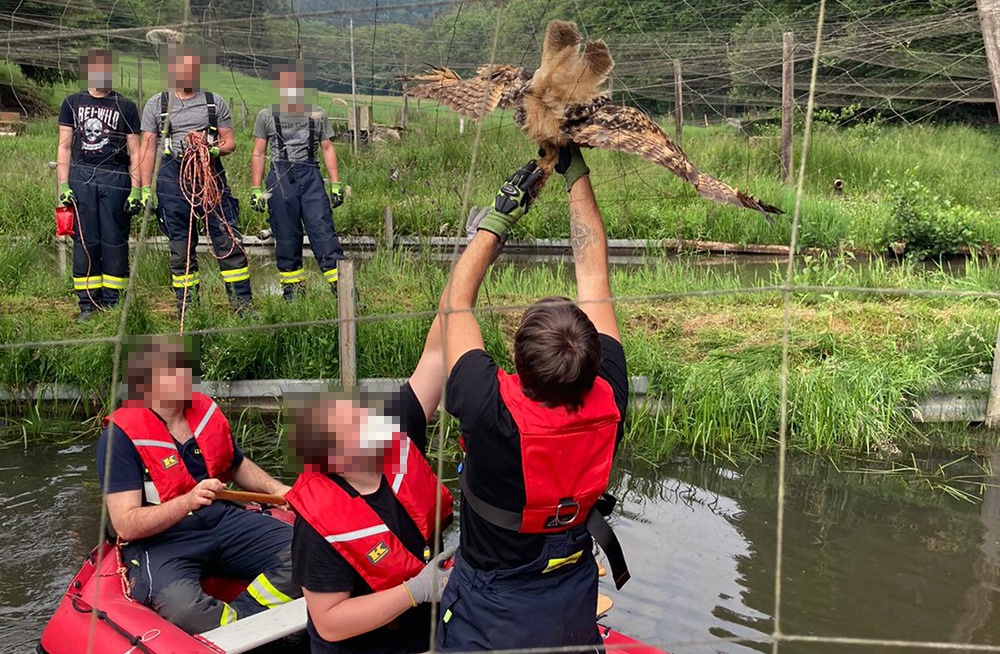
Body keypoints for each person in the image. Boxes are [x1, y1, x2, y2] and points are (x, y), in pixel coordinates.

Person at [435, 147, 631, 651]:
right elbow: (594, 275)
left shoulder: (487, 405)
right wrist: (576, 173)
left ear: (517, 365)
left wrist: (499, 217)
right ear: (592, 362)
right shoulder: (608, 396)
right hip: (571, 596)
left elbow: (455, 302)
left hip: (490, 609)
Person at [97, 337, 299, 633]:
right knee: (184, 608)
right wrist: (186, 502)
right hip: (162, 540)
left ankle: (242, 618)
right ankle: (231, 628)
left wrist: (277, 489)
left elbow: (235, 464)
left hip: (221, 520)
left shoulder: (203, 412)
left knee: (312, 550)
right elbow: (126, 524)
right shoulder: (120, 437)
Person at [285, 309, 456, 654]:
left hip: (432, 627)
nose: (370, 419)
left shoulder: (393, 436)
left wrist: (471, 266)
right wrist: (415, 590)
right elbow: (330, 623)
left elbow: (437, 354)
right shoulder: (318, 525)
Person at [139, 47, 252, 317]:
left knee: (227, 240)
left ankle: (242, 306)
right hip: (172, 180)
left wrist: (212, 148)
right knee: (180, 245)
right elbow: (147, 148)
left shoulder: (215, 102)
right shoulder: (157, 104)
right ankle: (188, 308)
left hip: (211, 177)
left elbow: (230, 142)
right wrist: (144, 188)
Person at [56, 48, 142, 320]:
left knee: (115, 240)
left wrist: (137, 188)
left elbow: (137, 151)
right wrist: (63, 184)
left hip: (115, 177)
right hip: (81, 177)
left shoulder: (125, 106)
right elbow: (65, 146)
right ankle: (87, 305)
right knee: (85, 240)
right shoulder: (72, 102)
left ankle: (113, 302)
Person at [250, 62, 346, 300]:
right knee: (286, 237)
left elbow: (327, 147)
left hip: (311, 177)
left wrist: (335, 183)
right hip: (280, 179)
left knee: (323, 234)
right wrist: (255, 188)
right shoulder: (267, 116)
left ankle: (343, 295)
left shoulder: (318, 114)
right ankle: (293, 296)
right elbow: (258, 152)